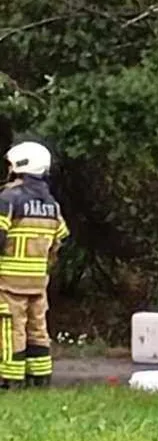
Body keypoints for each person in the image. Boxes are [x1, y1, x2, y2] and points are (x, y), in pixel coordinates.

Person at [0, 141, 68, 390]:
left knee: (10, 328)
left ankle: (9, 380)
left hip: (7, 280)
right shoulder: (51, 204)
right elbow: (60, 238)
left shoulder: (8, 198)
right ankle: (39, 379)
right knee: (37, 328)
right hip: (38, 281)